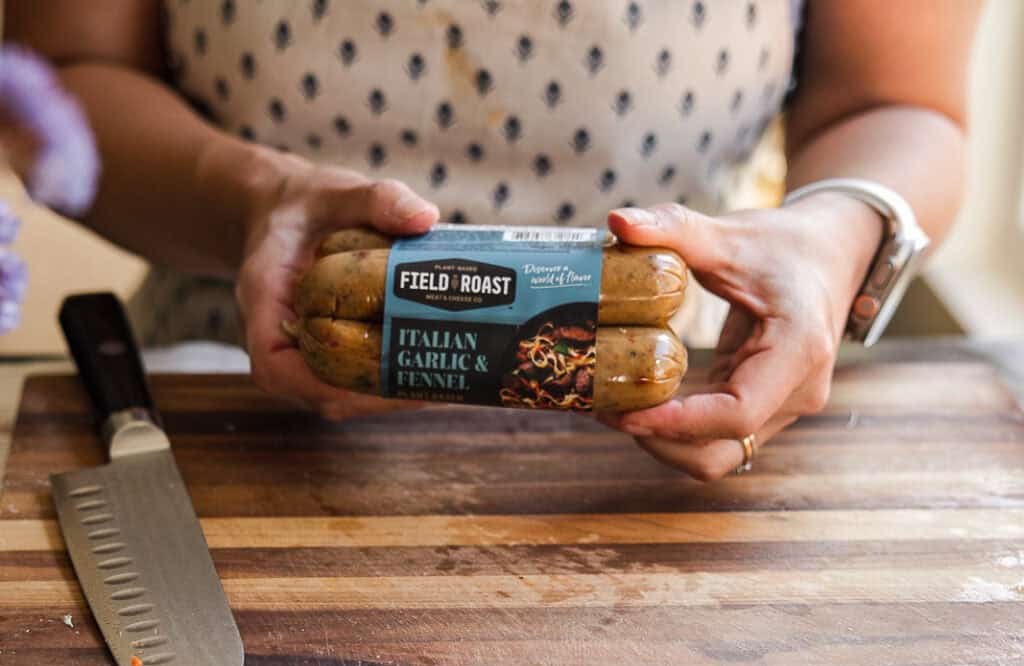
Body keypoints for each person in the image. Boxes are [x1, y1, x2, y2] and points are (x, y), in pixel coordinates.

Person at [5, 1, 980, 480]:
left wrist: (830, 234)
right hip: (222, 404)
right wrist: (252, 200)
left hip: (683, 410)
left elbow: (901, 104)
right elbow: (62, 77)